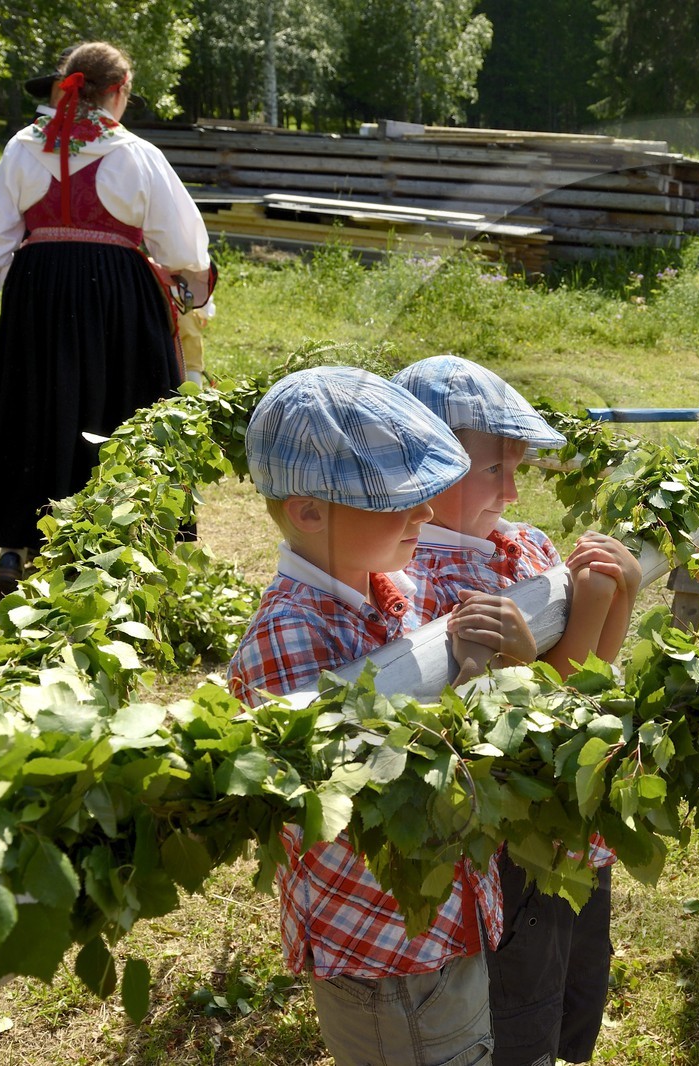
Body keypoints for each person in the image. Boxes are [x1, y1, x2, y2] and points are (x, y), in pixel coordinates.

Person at [226, 366, 531, 1066]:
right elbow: (361, 813)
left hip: (440, 926)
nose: (426, 514)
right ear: (309, 511)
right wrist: (480, 683)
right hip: (385, 950)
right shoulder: (289, 640)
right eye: (400, 499)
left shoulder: (393, 592)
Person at [394, 355, 640, 1066]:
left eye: (517, 467)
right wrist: (578, 615)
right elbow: (520, 729)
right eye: (492, 469)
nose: (511, 486)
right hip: (514, 838)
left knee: (575, 961)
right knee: (520, 993)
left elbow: (584, 690)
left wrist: (613, 596)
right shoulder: (417, 581)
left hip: (572, 822)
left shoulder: (525, 544)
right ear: (423, 469)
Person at [0, 41, 212, 597]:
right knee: (119, 406)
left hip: (37, 294)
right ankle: (116, 546)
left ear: (68, 85)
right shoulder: (136, 153)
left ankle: (17, 548)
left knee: (32, 406)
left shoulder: (23, 148)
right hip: (117, 296)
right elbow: (184, 245)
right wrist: (198, 301)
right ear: (117, 91)